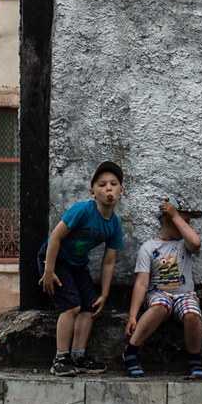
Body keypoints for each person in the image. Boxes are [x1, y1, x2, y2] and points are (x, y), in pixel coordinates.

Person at [40, 161, 124, 376]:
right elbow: (56, 237)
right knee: (71, 306)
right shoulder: (82, 210)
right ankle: (60, 358)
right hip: (54, 258)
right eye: (102, 184)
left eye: (114, 184)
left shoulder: (114, 225)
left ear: (121, 191)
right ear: (92, 192)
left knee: (90, 307)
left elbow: (108, 261)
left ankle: (78, 356)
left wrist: (104, 294)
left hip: (77, 264)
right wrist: (49, 271)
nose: (108, 188)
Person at [124, 196, 202, 379]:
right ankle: (130, 351)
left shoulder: (184, 244)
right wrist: (132, 315)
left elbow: (196, 242)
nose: (187, 227)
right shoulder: (149, 247)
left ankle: (194, 359)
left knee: (192, 313)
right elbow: (141, 282)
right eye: (184, 222)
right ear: (168, 221)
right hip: (158, 293)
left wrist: (176, 217)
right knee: (160, 307)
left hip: (184, 295)